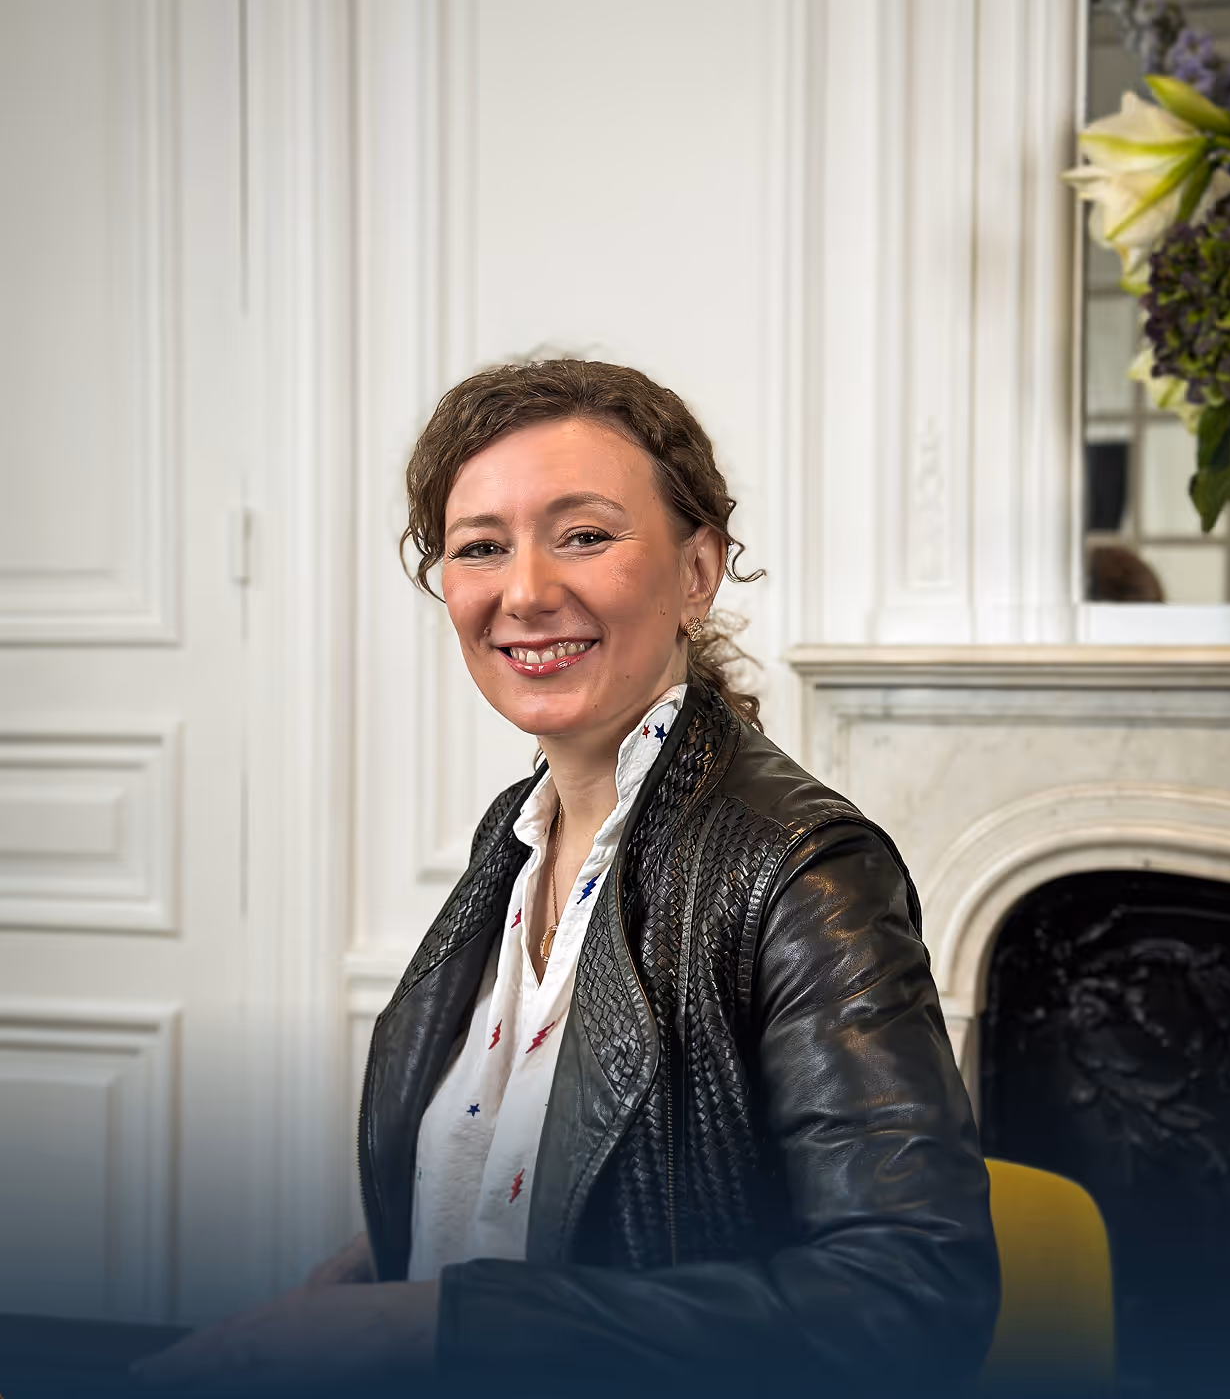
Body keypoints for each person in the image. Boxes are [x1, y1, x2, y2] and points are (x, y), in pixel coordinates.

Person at [135, 358, 1000, 1397]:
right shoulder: (516, 832)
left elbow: (909, 1299)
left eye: (585, 535)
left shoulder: (804, 872)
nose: (527, 592)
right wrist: (372, 1279)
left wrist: (433, 1327)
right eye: (480, 547)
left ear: (696, 571)